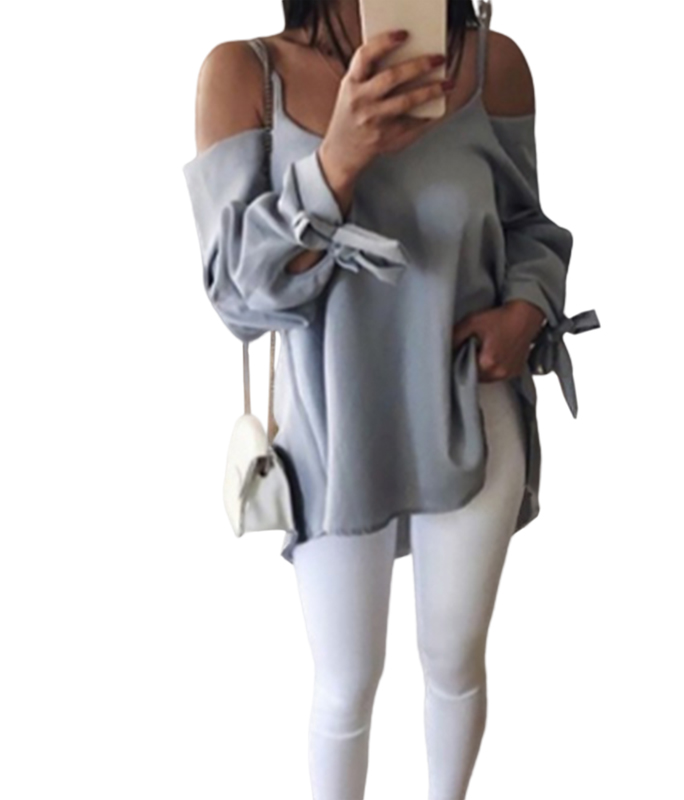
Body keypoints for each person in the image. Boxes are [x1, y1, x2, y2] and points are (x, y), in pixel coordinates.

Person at [181, 1, 599, 797]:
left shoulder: (492, 65)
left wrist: (525, 308)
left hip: (473, 409)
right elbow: (237, 300)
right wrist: (335, 161)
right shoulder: (246, 76)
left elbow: (529, 228)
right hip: (332, 426)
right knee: (344, 685)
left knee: (454, 661)